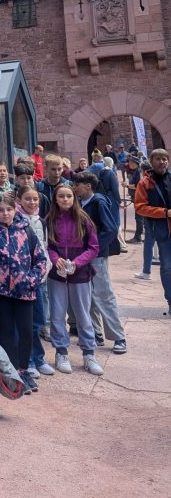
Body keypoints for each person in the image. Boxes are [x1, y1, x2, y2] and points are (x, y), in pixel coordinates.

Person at [0, 193, 47, 393]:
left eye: (8, 209)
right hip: (0, 293)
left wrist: (30, 281)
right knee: (6, 332)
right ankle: (11, 371)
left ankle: (24, 370)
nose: (5, 213)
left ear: (15, 210)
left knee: (26, 331)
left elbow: (41, 260)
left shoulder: (27, 231)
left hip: (24, 293)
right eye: (0, 210)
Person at [46, 183, 102, 375]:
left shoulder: (84, 219)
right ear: (55, 199)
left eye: (69, 196)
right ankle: (61, 352)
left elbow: (93, 247)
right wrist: (55, 259)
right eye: (61, 196)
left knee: (83, 314)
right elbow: (47, 246)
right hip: (57, 275)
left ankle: (89, 353)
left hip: (80, 274)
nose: (65, 199)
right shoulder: (50, 220)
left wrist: (78, 263)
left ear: (74, 197)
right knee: (57, 314)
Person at [73, 172, 127, 354]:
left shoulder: (98, 202)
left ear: (88, 186)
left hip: (96, 256)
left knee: (104, 294)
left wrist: (93, 248)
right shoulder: (81, 203)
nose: (75, 187)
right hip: (84, 256)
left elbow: (110, 229)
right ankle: (96, 333)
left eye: (78, 184)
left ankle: (118, 336)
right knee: (88, 296)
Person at [15, 185, 53, 376]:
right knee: (25, 322)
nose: (32, 202)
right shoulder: (16, 221)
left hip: (40, 278)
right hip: (23, 280)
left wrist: (45, 269)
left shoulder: (42, 222)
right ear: (19, 200)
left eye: (35, 199)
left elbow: (44, 248)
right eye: (27, 199)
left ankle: (39, 358)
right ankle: (27, 361)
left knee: (38, 321)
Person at [134, 149, 171, 316]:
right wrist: (164, 213)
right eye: (158, 159)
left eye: (164, 159)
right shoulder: (144, 183)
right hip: (162, 230)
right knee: (167, 267)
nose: (162, 162)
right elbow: (140, 207)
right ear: (151, 161)